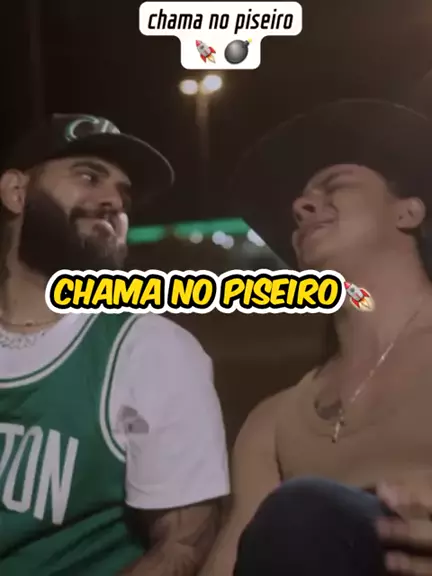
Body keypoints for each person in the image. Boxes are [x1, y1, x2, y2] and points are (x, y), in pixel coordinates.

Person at [200, 100, 432, 576]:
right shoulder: (273, 423)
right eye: (300, 203)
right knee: (301, 512)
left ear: (408, 212)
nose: (301, 207)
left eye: (336, 185)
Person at [0, 114, 229, 575]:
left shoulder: (151, 350)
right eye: (89, 177)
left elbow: (181, 548)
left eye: (124, 195)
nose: (113, 202)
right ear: (16, 192)